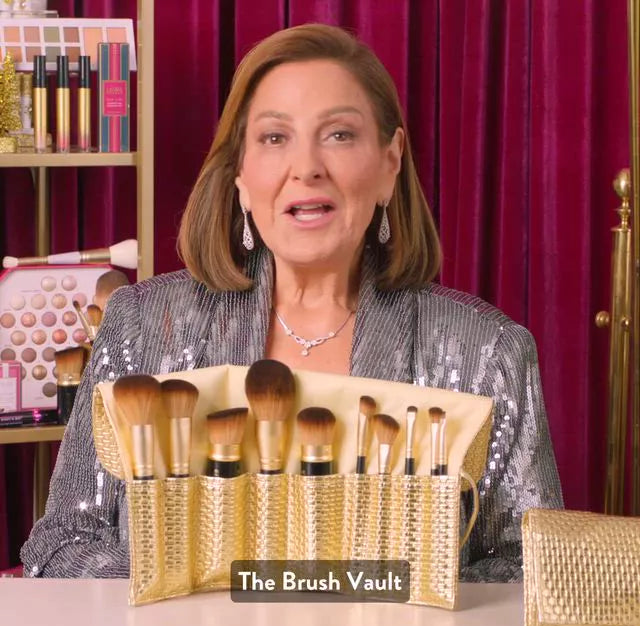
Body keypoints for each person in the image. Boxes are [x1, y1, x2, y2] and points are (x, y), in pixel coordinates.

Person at [21, 23, 562, 580]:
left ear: (390, 163)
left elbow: (533, 570)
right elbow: (60, 546)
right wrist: (185, 593)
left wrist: (379, 594)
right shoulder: (142, 327)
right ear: (241, 174)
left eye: (339, 135)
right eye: (275, 138)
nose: (306, 167)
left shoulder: (489, 353)